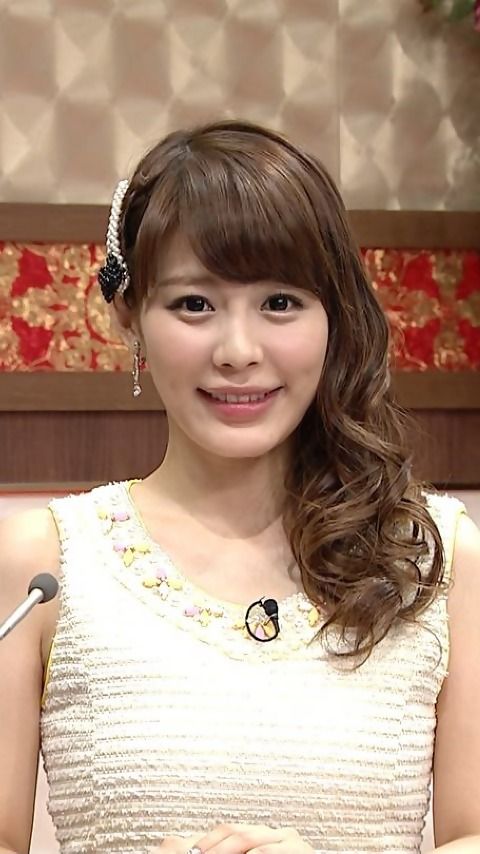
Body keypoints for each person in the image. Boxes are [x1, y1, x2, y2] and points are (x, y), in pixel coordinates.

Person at [0, 120, 479, 854]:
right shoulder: (45, 564)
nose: (238, 351)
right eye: (194, 304)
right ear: (129, 317)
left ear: (334, 317)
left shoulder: (435, 558)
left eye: (280, 302)